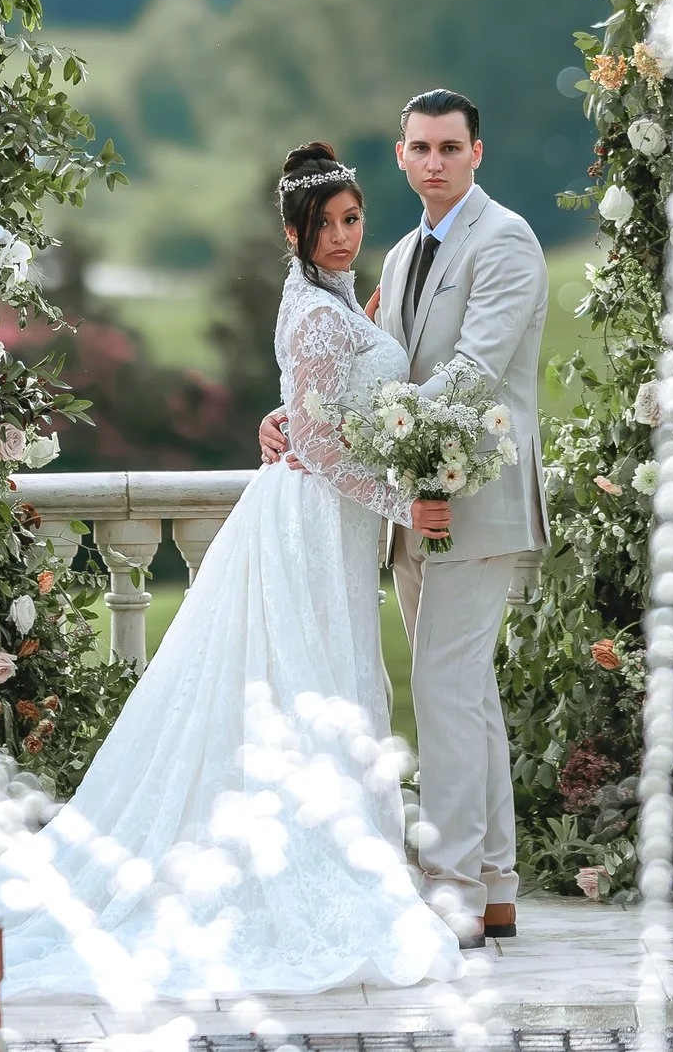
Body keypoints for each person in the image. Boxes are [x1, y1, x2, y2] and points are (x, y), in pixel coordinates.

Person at [0, 142, 461, 1003]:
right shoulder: (314, 310)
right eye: (326, 223)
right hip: (305, 520)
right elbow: (325, 442)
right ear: (294, 232)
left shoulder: (329, 301)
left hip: (324, 521)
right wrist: (409, 502)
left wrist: (284, 412)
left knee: (329, 679)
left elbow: (314, 407)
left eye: (352, 218)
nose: (343, 235)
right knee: (302, 683)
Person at [259, 89, 549, 949]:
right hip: (417, 506)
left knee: (444, 689)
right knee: (468, 694)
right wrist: (293, 419)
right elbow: (354, 374)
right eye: (419, 147)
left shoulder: (506, 241)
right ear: (400, 155)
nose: (434, 162)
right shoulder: (403, 251)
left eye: (449, 147)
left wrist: (393, 446)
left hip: (474, 501)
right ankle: (493, 882)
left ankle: (453, 884)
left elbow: (471, 373)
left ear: (477, 153)